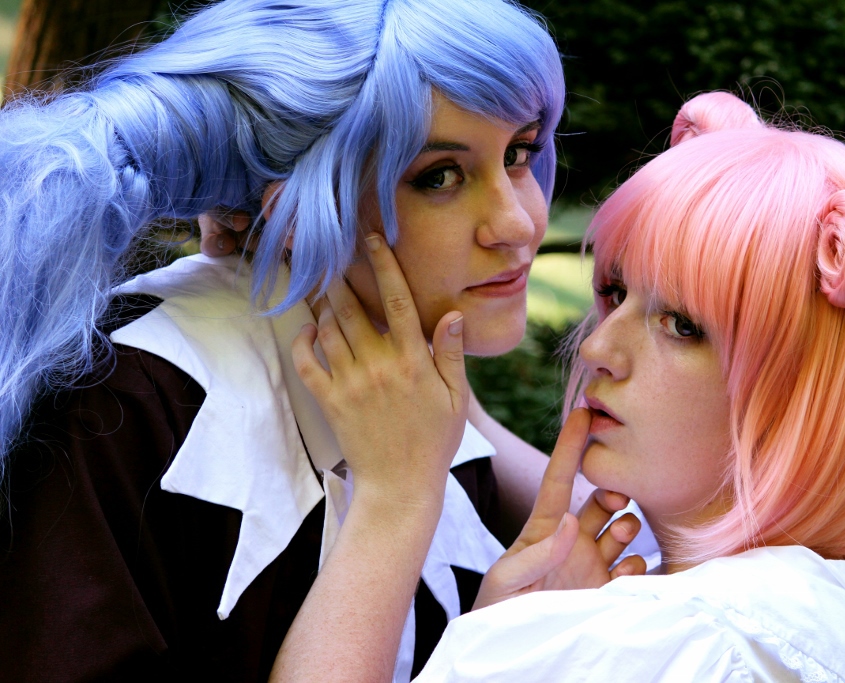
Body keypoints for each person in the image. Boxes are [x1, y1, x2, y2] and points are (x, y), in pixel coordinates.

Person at [0, 1, 650, 680]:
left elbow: (658, 550)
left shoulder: (411, 393)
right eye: (440, 176)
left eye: (518, 153)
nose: (518, 223)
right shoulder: (123, 404)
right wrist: (395, 504)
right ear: (292, 210)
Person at [300, 92, 845, 681]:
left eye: (682, 325)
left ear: (811, 394)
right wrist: (507, 626)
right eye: (614, 292)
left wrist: (394, 499)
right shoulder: (826, 604)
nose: (597, 348)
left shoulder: (675, 644)